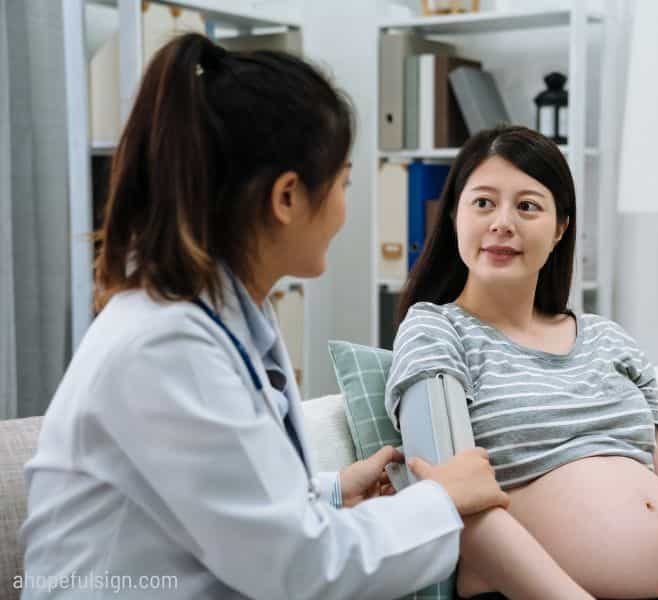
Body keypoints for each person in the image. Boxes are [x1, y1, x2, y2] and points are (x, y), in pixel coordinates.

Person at [18, 33, 511, 600]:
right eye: (344, 183)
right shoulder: (163, 346)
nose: (346, 207)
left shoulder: (225, 318)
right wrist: (443, 499)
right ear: (287, 198)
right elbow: (297, 568)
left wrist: (328, 493)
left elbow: (226, 506)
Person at [385, 126, 658, 600]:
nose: (502, 222)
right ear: (453, 216)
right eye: (483, 202)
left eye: (527, 206)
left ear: (560, 228)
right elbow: (449, 504)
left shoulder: (610, 339)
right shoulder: (436, 330)